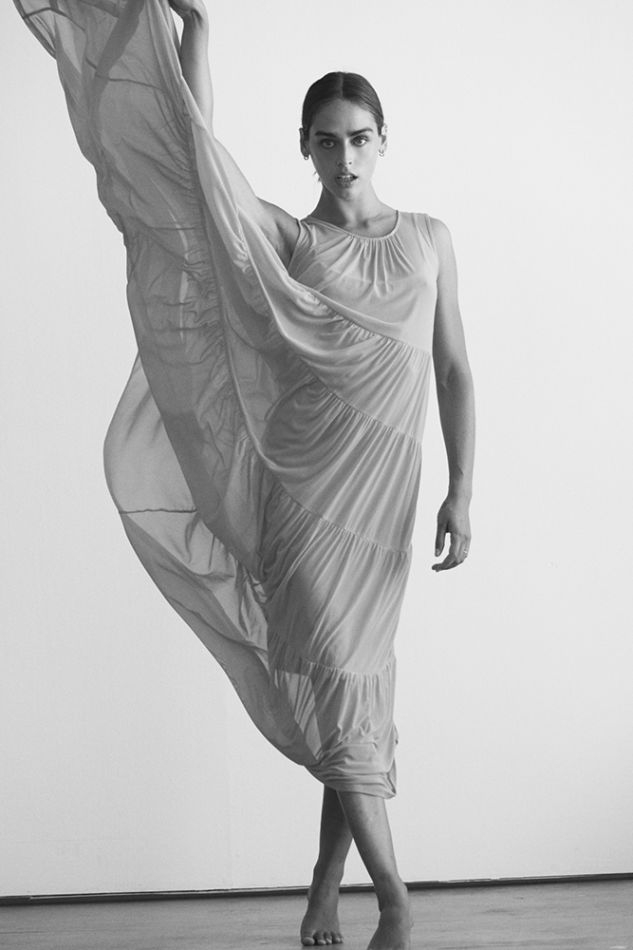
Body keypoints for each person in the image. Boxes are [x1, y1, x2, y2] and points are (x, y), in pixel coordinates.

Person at [15, 0, 474, 948]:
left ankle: (322, 888)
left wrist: (461, 490)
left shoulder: (430, 238)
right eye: (325, 141)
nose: (343, 157)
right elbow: (199, 170)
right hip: (305, 498)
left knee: (358, 698)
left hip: (383, 505)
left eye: (358, 138)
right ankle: (395, 902)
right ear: (304, 147)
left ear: (382, 139)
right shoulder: (290, 241)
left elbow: (454, 370)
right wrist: (197, 36)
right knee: (342, 688)